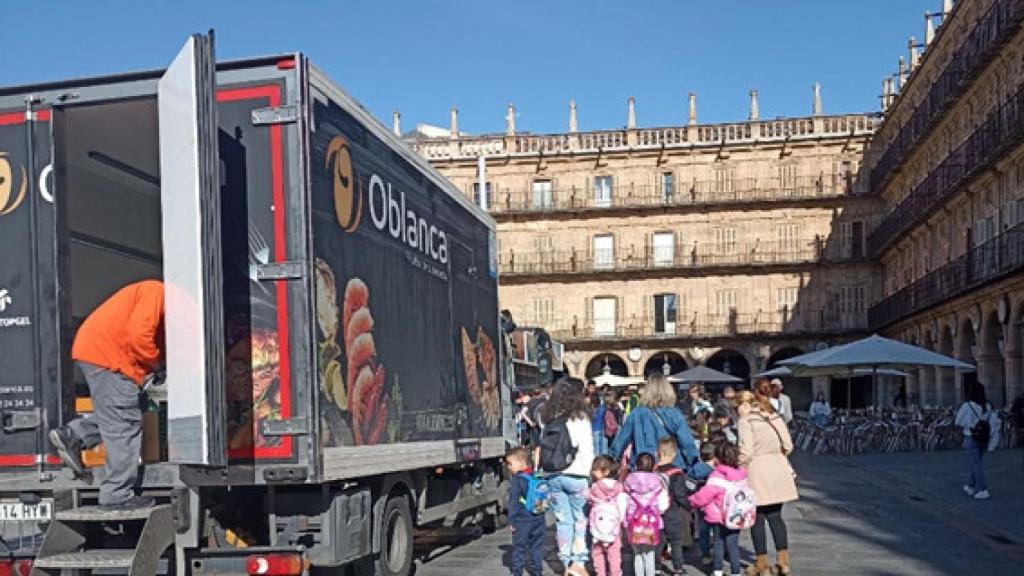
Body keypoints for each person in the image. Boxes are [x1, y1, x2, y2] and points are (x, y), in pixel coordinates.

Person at [48, 280, 165, 511]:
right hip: (108, 356)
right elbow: (139, 336)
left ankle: (74, 434)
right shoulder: (157, 292)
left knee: (115, 416)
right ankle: (117, 495)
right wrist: (156, 364)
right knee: (124, 424)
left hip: (97, 350)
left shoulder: (155, 298)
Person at [736, 383, 798, 576]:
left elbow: (746, 452)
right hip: (777, 469)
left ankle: (762, 565)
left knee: (757, 519)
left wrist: (738, 467)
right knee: (776, 516)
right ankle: (783, 562)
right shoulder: (774, 416)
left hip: (757, 470)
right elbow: (788, 445)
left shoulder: (746, 421)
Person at [539, 377, 594, 576]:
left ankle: (565, 562)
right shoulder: (580, 417)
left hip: (553, 475)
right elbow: (586, 448)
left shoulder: (548, 416)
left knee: (563, 521)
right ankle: (578, 564)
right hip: (577, 475)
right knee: (580, 519)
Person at [610, 374, 699, 471]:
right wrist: (692, 464)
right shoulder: (674, 414)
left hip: (643, 467)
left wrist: (612, 460)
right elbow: (687, 443)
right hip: (671, 466)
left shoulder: (636, 413)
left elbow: (620, 441)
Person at [688, 443, 748, 576]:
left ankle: (718, 570)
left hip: (718, 517)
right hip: (736, 516)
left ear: (718, 459)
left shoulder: (716, 476)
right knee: (733, 545)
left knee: (718, 543)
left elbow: (704, 496)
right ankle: (736, 571)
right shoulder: (742, 475)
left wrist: (690, 501)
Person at [624, 453, 670, 576]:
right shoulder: (659, 483)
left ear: (636, 465)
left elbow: (624, 503)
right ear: (654, 466)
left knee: (637, 555)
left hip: (634, 524)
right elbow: (663, 506)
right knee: (650, 554)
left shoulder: (628, 482)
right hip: (652, 524)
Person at [954, 382, 1001, 500]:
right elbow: (994, 423)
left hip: (972, 436)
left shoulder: (967, 405)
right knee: (976, 462)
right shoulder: (988, 405)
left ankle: (983, 489)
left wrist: (970, 424)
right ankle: (970, 485)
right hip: (984, 438)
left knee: (976, 464)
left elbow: (958, 421)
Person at [506, 446, 546, 576]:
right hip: (539, 517)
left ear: (520, 463)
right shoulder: (537, 476)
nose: (508, 467)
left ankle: (517, 572)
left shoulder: (517, 480)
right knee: (536, 548)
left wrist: (511, 520)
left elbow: (514, 502)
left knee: (519, 548)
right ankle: (537, 571)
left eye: (510, 463)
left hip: (522, 520)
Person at [588, 455, 629, 576]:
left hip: (597, 528)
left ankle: (600, 573)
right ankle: (615, 573)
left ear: (605, 471)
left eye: (596, 469)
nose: (593, 471)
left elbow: (590, 501)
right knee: (614, 554)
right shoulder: (619, 487)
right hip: (614, 529)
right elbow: (622, 505)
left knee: (597, 553)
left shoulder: (595, 487)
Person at [656, 437, 691, 576]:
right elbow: (680, 494)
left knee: (658, 541)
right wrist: (689, 506)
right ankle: (678, 568)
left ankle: (656, 567)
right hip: (673, 511)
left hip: (656, 512)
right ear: (674, 454)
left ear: (658, 452)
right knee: (676, 541)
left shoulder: (653, 471)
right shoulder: (677, 473)